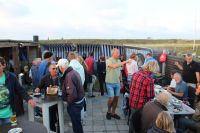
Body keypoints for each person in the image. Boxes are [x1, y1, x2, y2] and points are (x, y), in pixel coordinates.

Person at [0, 56, 36, 125]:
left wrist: (29, 99)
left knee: (13, 130)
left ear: (3, 65)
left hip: (10, 114)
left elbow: (20, 90)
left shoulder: (11, 77)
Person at [57, 59, 84, 133]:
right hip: (79, 101)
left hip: (75, 104)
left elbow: (72, 95)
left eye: (58, 67)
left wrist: (67, 102)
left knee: (76, 126)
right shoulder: (73, 72)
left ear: (61, 67)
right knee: (77, 124)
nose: (58, 69)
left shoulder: (69, 75)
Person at [35, 63, 60, 132]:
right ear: (49, 70)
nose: (55, 70)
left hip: (59, 100)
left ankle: (60, 130)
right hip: (49, 101)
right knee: (52, 118)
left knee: (60, 117)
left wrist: (59, 88)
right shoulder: (45, 77)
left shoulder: (60, 77)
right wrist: (37, 89)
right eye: (53, 69)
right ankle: (53, 130)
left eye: (56, 68)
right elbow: (39, 86)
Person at [105, 48, 128, 120]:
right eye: (117, 53)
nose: (119, 54)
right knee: (111, 98)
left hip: (117, 83)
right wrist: (125, 61)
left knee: (116, 99)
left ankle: (113, 113)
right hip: (110, 83)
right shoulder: (108, 60)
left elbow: (120, 72)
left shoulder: (118, 61)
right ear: (113, 53)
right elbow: (114, 66)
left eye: (119, 52)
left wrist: (121, 81)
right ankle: (108, 111)